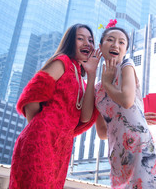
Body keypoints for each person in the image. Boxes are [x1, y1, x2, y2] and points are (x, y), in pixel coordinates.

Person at [9, 23, 102, 189]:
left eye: (90, 39)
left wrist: (92, 74)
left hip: (61, 148)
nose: (87, 43)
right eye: (80, 39)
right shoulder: (62, 62)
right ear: (69, 42)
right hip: (42, 140)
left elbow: (86, 117)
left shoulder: (82, 81)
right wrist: (41, 130)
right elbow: (32, 97)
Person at [94, 20, 156, 188]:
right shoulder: (96, 89)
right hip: (118, 155)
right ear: (100, 47)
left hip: (141, 148)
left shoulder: (126, 65)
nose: (115, 44)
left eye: (121, 42)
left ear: (125, 50)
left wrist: (108, 84)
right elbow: (102, 132)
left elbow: (126, 100)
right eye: (110, 40)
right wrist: (128, 119)